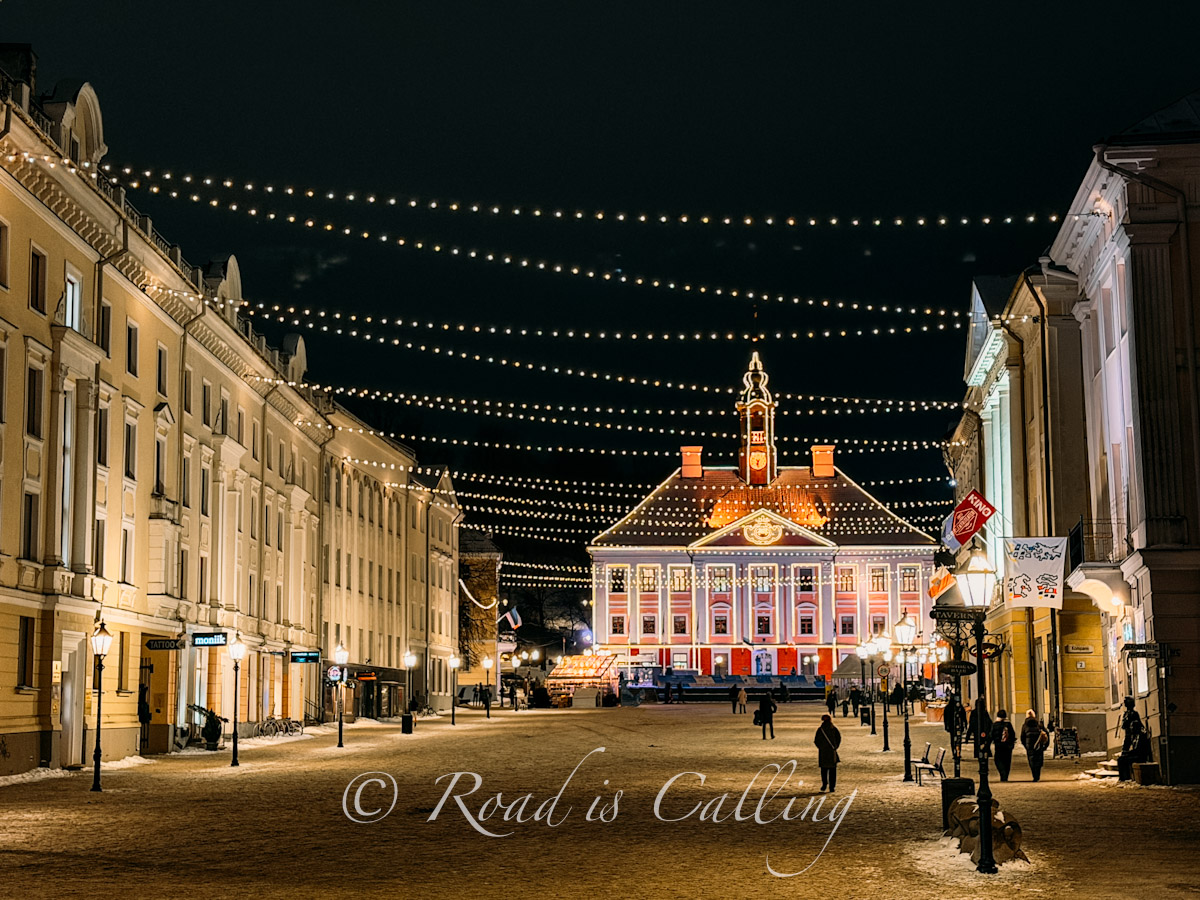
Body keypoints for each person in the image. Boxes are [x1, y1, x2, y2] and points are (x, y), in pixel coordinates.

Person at [815, 714, 842, 792]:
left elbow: (816, 740)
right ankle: (832, 786)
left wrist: (821, 747)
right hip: (831, 751)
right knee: (832, 770)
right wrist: (835, 747)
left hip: (823, 752)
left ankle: (824, 784)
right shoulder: (834, 729)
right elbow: (839, 738)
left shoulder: (820, 730)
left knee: (824, 770)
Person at [1021, 709, 1049, 782]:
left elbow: (1022, 737)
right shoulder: (1039, 725)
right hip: (1039, 745)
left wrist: (1026, 745)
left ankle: (1034, 775)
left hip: (1029, 746)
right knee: (1038, 760)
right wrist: (1045, 746)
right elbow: (1046, 734)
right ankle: (1037, 775)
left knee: (1032, 760)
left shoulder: (1025, 726)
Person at [990, 710, 1017, 781]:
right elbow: (1013, 735)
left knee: (998, 760)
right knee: (1007, 761)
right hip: (1008, 747)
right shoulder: (1008, 724)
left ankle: (1002, 773)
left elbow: (991, 735)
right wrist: (1012, 743)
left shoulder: (995, 724)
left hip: (999, 746)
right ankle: (1005, 776)